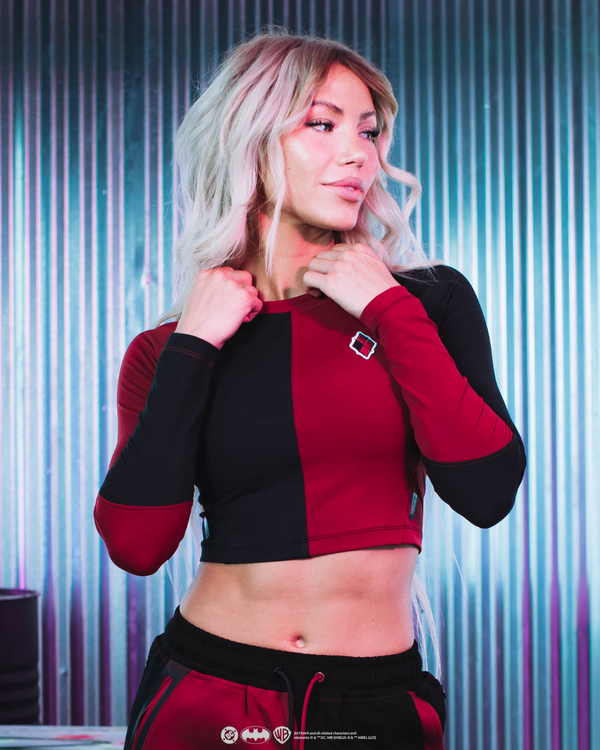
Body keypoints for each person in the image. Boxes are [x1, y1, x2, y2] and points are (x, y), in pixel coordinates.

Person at [94, 30, 526, 750]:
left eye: (368, 131)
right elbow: (136, 545)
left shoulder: (428, 302)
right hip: (209, 691)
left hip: (376, 699)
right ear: (249, 141)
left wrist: (387, 308)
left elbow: (488, 491)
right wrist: (194, 345)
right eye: (322, 125)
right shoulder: (168, 348)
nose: (358, 154)